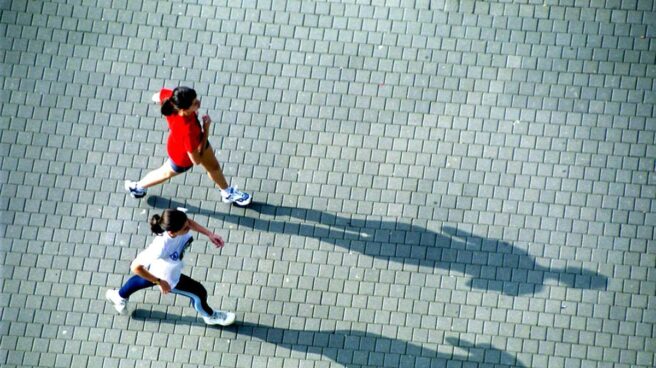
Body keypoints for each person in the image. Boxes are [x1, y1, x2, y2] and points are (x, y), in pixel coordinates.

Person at [124, 86, 252, 206]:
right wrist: (206, 129)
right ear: (183, 110)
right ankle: (137, 187)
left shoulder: (172, 98)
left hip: (181, 144)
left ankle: (227, 192)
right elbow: (196, 160)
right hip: (184, 156)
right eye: (194, 103)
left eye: (195, 98)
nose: (198, 102)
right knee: (165, 173)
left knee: (213, 167)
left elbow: (157, 96)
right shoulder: (187, 130)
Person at [105, 209, 236, 326]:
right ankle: (210, 316)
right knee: (199, 293)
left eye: (187, 224)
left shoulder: (176, 221)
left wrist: (209, 234)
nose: (188, 228)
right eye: (185, 228)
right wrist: (159, 282)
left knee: (146, 278)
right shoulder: (160, 247)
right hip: (168, 276)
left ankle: (118, 296)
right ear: (172, 232)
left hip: (164, 265)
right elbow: (135, 267)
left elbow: (189, 222)